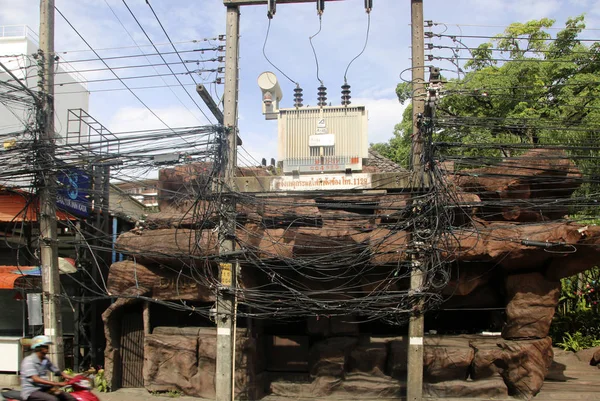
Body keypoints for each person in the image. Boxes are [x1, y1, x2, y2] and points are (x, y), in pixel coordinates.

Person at [20, 336, 76, 401]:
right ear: (39, 348)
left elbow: (57, 371)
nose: (48, 349)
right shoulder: (29, 361)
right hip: (32, 391)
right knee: (53, 400)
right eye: (46, 347)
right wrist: (56, 383)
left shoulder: (45, 360)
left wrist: (74, 378)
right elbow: (36, 379)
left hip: (44, 388)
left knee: (69, 398)